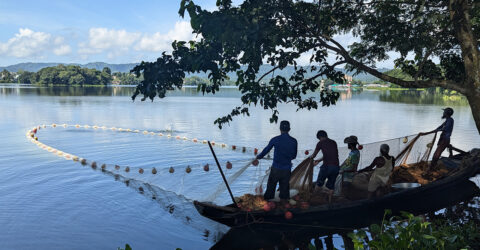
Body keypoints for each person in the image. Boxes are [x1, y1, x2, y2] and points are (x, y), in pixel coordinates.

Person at [252, 120, 298, 202]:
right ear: (289, 129)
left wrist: (258, 157)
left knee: (271, 188)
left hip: (276, 169)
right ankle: (283, 207)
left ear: (280, 129)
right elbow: (294, 156)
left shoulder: (275, 139)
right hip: (287, 169)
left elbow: (266, 150)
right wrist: (286, 158)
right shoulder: (294, 141)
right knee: (284, 190)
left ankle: (268, 207)